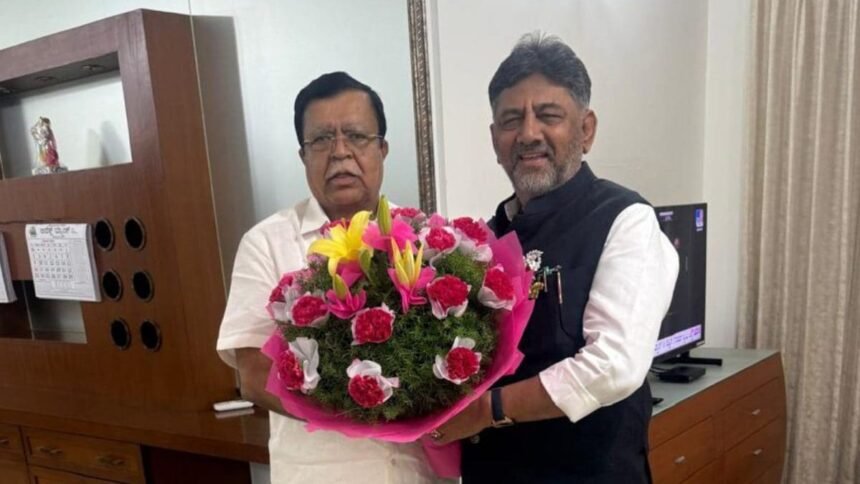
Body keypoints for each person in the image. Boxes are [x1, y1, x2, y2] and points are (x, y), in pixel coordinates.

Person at [431, 34, 679, 483]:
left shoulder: (625, 221)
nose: (528, 134)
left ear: (586, 130)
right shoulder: (481, 242)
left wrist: (488, 410)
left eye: (548, 115)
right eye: (511, 119)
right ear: (494, 139)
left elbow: (613, 366)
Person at [217, 72, 441, 483]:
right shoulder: (266, 243)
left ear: (382, 149)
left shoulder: (422, 238)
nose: (340, 152)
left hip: (417, 473)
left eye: (356, 136)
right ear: (303, 156)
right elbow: (254, 375)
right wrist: (364, 409)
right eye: (321, 140)